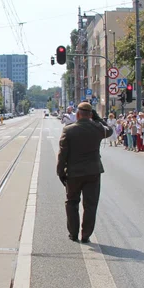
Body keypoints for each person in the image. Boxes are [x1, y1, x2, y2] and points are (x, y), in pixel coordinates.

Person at [57, 101, 112, 242]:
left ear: (77, 114)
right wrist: (97, 118)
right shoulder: (98, 128)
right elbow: (110, 130)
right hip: (93, 172)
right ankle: (86, 235)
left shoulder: (69, 130)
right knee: (91, 205)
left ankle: (73, 233)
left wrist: (60, 172)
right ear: (90, 114)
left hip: (73, 173)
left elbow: (62, 154)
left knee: (71, 202)